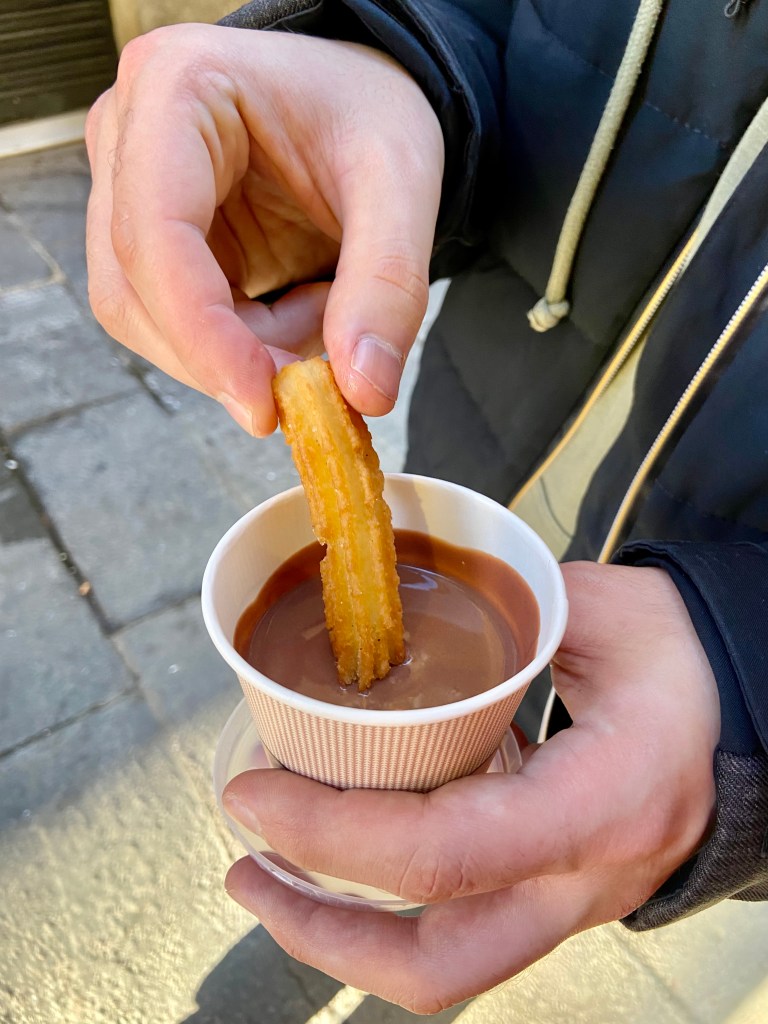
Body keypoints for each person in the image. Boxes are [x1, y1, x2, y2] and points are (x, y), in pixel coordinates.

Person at [84, 0, 768, 1013]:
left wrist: (750, 682)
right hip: (482, 453)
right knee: (366, 862)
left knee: (460, 909)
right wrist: (390, 71)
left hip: (696, 634)